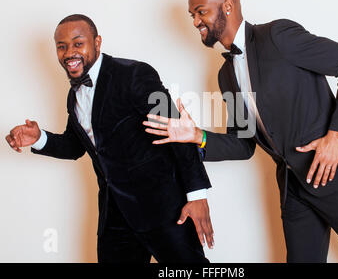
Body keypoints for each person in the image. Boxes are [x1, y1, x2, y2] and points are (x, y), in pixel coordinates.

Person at [143, 0, 338, 262]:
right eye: (192, 15)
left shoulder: (278, 36)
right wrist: (197, 136)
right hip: (295, 188)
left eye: (201, 11)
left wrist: (336, 136)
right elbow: (243, 144)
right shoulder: (225, 75)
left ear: (227, 7)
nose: (195, 21)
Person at [5, 14, 213, 263]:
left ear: (97, 42)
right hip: (115, 218)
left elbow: (178, 131)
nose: (69, 52)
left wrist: (197, 195)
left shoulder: (134, 74)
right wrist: (39, 138)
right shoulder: (74, 97)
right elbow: (75, 147)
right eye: (62, 46)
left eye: (77, 43)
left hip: (165, 212)